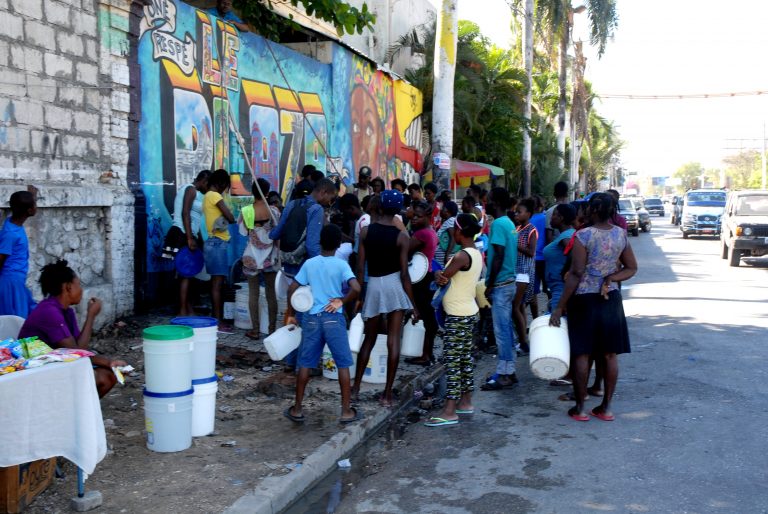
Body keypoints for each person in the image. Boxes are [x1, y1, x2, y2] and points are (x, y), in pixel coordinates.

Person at [549, 193, 637, 422]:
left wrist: (560, 306)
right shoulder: (620, 234)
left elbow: (576, 272)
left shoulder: (583, 235)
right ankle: (606, 407)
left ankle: (580, 408)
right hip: (611, 300)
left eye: (588, 208)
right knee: (609, 354)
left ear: (594, 210)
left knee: (582, 353)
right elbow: (631, 268)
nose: (584, 211)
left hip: (585, 299)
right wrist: (611, 278)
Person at [283, 225, 362, 424]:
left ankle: (298, 409)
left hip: (311, 318)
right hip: (333, 318)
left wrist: (291, 313)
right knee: (342, 364)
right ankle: (345, 411)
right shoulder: (341, 264)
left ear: (319, 242)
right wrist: (341, 301)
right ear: (338, 245)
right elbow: (356, 288)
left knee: (305, 364)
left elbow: (292, 287)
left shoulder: (310, 264)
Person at [19, 260, 126, 398]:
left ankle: (82, 415)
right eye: (79, 285)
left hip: (57, 363)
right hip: (35, 370)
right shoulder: (49, 311)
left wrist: (110, 363)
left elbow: (79, 349)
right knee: (101, 377)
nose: (81, 290)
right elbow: (76, 353)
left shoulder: (66, 311)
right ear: (68, 287)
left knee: (109, 375)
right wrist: (91, 316)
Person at [353, 190, 418, 407]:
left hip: (373, 284)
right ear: (398, 210)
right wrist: (414, 305)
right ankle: (387, 394)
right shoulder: (401, 236)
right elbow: (404, 273)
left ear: (379, 207)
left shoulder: (365, 232)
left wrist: (358, 297)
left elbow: (360, 267)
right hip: (394, 285)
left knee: (369, 339)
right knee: (393, 339)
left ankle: (355, 389)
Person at [270, 178, 338, 369]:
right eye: (330, 198)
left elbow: (274, 233)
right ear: (323, 192)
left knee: (292, 311)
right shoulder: (316, 209)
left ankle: (290, 360)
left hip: (289, 267)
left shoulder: (292, 203)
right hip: (305, 268)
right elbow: (311, 245)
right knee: (307, 316)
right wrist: (322, 267)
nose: (329, 203)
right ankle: (303, 364)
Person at [424, 214, 483, 426]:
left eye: (454, 231)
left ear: (459, 231)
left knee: (452, 363)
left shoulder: (461, 256)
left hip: (458, 316)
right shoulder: (476, 253)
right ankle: (465, 402)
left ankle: (449, 411)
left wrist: (435, 272)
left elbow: (442, 279)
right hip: (468, 312)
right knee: (464, 360)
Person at [482, 188, 519, 390]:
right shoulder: (509, 223)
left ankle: (505, 374)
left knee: (502, 331)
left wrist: (489, 285)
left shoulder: (497, 224)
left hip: (501, 284)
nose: (485, 202)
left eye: (488, 199)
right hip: (509, 283)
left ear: (495, 202)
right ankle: (508, 369)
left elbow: (498, 255)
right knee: (506, 328)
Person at [163, 170, 210, 316]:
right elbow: (185, 213)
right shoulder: (190, 189)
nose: (207, 190)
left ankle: (187, 307)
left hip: (187, 233)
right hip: (181, 234)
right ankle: (183, 311)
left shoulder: (193, 191)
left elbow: (194, 218)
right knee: (185, 275)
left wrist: (199, 238)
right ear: (204, 181)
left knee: (187, 275)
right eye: (208, 185)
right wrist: (190, 238)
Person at [239, 178, 280, 339]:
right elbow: (278, 232)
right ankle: (271, 330)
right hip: (270, 256)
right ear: (267, 193)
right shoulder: (274, 212)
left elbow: (243, 232)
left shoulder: (246, 211)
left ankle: (255, 330)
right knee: (271, 294)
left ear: (252, 192)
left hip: (251, 256)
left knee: (253, 294)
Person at [403, 202, 438, 366]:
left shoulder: (422, 234)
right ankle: (428, 353)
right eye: (414, 215)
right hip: (428, 275)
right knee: (429, 316)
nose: (414, 218)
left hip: (420, 278)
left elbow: (404, 250)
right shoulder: (430, 231)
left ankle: (424, 354)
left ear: (427, 217)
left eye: (419, 216)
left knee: (424, 315)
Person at [203, 169, 236, 333]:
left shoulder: (207, 195)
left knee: (216, 283)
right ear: (222, 183)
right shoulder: (215, 196)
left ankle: (215, 318)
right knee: (218, 284)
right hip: (217, 243)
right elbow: (230, 217)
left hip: (213, 242)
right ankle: (218, 321)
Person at [0, 189, 37, 317]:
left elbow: (22, 205)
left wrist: (32, 195)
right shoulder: (10, 234)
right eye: (34, 204)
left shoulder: (12, 222)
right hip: (11, 283)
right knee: (17, 320)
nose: (36, 206)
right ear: (29, 210)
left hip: (17, 280)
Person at [512, 197, 538, 352]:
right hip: (516, 271)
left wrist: (515, 244)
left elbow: (531, 251)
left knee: (516, 307)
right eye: (516, 211)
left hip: (524, 273)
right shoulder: (517, 228)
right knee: (520, 306)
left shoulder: (531, 229)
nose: (516, 214)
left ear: (528, 213)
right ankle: (523, 338)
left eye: (519, 212)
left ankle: (524, 342)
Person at [543, 203, 576, 313]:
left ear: (561, 218)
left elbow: (573, 254)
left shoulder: (566, 236)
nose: (551, 218)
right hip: (556, 288)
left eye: (554, 215)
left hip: (560, 288)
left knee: (557, 323)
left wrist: (564, 273)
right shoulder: (566, 235)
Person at [531, 194, 548, 316]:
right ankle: (552, 312)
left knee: (533, 292)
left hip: (533, 258)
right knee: (549, 288)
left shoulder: (529, 220)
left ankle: (536, 317)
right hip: (545, 258)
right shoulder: (546, 218)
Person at [435, 200, 459, 267]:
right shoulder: (448, 221)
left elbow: (453, 238)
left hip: (444, 259)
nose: (441, 210)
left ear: (447, 211)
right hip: (441, 258)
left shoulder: (450, 220)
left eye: (443, 208)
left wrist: (447, 255)